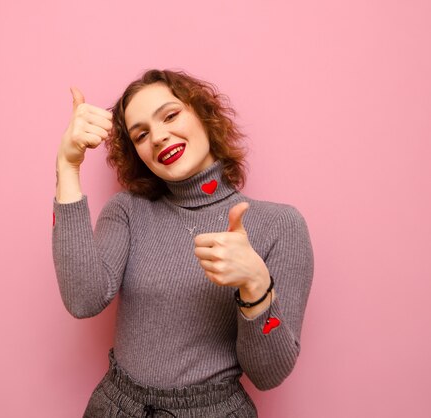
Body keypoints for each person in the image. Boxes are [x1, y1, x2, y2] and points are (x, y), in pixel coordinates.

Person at [52, 69, 313, 418]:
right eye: (141, 134)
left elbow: (269, 374)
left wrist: (255, 285)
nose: (158, 137)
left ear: (203, 115)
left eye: (171, 115)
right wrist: (67, 167)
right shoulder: (128, 210)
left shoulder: (279, 225)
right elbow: (83, 299)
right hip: (116, 406)